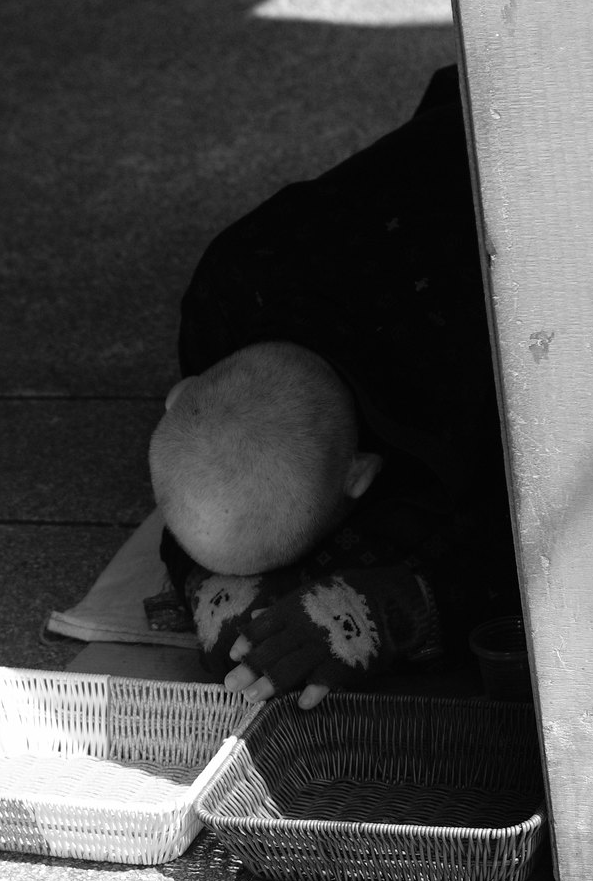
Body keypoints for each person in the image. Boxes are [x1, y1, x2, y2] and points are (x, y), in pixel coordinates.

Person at [148, 64, 520, 709]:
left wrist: (388, 610)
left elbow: (527, 536)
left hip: (523, 138)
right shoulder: (225, 283)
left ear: (363, 476)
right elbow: (208, 463)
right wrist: (205, 585)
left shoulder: (470, 387)